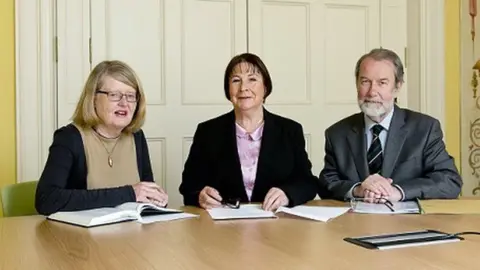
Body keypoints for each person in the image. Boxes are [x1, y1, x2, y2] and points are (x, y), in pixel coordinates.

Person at [318, 48, 462, 203]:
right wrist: (358, 189)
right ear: (357, 84)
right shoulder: (337, 133)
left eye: (382, 83)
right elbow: (327, 184)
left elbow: (449, 181)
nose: (372, 92)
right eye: (365, 82)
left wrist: (397, 191)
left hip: (409, 224)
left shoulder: (425, 129)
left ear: (397, 87)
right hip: (354, 223)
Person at [179, 53, 317, 211]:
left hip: (277, 224)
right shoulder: (208, 132)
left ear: (265, 87)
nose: (243, 88)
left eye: (252, 79)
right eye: (236, 80)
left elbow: (308, 183)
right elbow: (188, 186)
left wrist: (287, 194)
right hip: (222, 227)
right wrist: (200, 196)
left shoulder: (289, 130)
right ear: (228, 90)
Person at [35, 60, 168, 215]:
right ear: (93, 98)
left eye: (131, 96)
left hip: (130, 234)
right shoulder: (70, 138)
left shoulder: (136, 136)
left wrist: (156, 199)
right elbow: (47, 199)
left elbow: (145, 193)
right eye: (114, 95)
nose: (124, 103)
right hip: (79, 237)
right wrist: (129, 194)